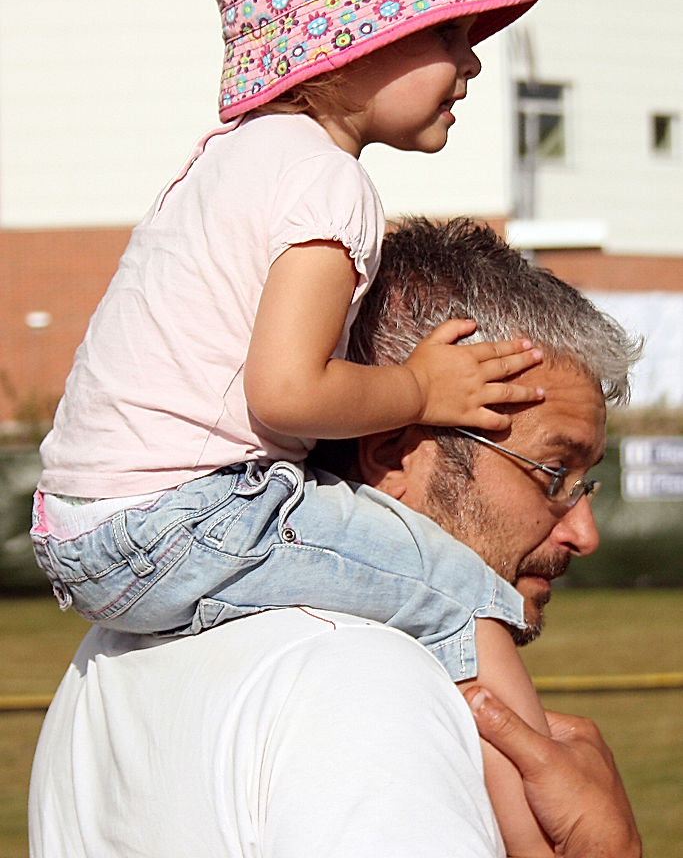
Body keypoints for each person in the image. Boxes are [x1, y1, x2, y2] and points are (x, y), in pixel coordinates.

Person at [29, 218, 642, 857]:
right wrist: (607, 848)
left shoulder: (103, 665)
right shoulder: (367, 679)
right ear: (393, 453)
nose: (584, 532)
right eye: (554, 474)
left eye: (586, 484)